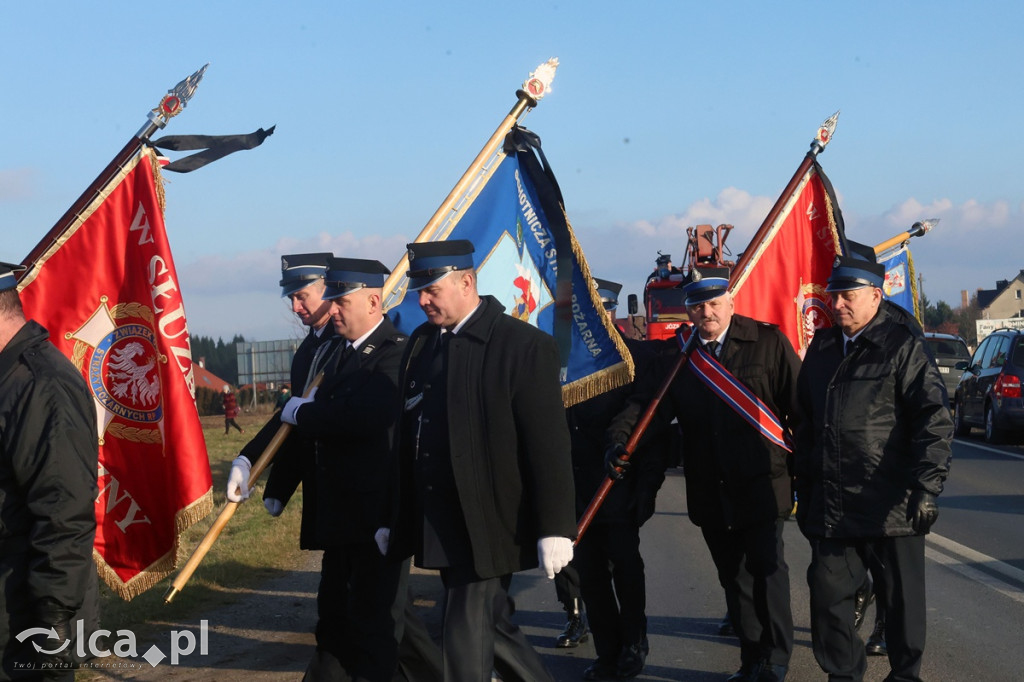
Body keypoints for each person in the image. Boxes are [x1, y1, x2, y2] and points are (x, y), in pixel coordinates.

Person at [383, 239, 576, 682]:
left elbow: (547, 446)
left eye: (432, 289)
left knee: (462, 632)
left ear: (467, 281)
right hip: (441, 519)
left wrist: (555, 525)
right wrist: (392, 515)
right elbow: (409, 438)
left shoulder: (522, 346)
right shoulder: (422, 344)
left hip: (491, 521)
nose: (423, 300)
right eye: (419, 291)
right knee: (494, 626)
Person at [607, 270, 800, 682]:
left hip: (762, 482)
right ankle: (751, 659)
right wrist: (620, 439)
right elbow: (648, 407)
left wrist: (807, 473)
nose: (706, 312)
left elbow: (800, 410)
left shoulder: (767, 343)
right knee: (734, 579)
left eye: (714, 303)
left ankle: (777, 658)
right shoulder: (677, 355)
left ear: (731, 302)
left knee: (768, 572)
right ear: (689, 310)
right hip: (710, 486)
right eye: (698, 306)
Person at [795, 253, 953, 682]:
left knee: (901, 606)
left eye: (847, 296)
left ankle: (905, 676)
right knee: (828, 602)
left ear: (875, 295)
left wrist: (927, 487)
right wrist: (804, 493)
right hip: (833, 507)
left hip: (891, 507)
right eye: (834, 296)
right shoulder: (823, 349)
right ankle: (842, 676)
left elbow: (934, 418)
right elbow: (805, 425)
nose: (838, 304)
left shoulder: (902, 345)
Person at [568, 278, 672, 681]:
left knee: (626, 567)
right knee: (590, 575)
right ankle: (607, 651)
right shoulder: (564, 359)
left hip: (616, 484)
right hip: (576, 488)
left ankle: (633, 642)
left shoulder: (636, 359)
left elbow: (649, 422)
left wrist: (647, 486)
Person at [0, 261, 99, 681]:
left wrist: (53, 625)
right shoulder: (10, 380)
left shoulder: (42, 386)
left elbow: (62, 513)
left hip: (27, 618)